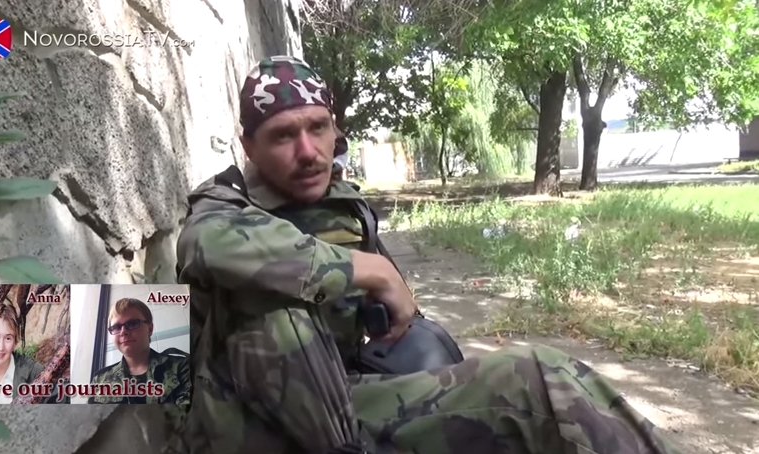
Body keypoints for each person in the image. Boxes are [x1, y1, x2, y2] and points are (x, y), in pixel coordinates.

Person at [174, 55, 684, 454]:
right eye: (283, 135)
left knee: (555, 380)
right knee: (536, 385)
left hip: (345, 403)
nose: (308, 152)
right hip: (254, 432)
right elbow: (203, 251)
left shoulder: (341, 203)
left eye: (318, 127)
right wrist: (371, 270)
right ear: (249, 146)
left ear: (335, 127)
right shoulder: (222, 207)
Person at [88, 297, 191, 406]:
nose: (123, 332)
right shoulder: (100, 379)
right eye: (117, 327)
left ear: (150, 329)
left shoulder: (182, 367)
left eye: (132, 324)